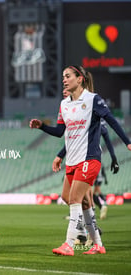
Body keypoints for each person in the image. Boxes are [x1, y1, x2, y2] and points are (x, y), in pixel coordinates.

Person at [30, 65, 131, 256]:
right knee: (71, 199)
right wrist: (42, 126)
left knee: (75, 199)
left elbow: (111, 121)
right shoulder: (64, 104)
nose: (64, 80)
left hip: (89, 158)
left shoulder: (93, 99)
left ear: (80, 79)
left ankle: (69, 244)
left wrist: (127, 142)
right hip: (72, 160)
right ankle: (98, 244)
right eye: (63, 77)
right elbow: (61, 131)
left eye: (68, 76)